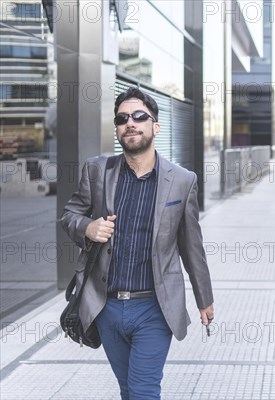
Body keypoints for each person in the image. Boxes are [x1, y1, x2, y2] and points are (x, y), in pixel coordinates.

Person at [61, 87, 214, 399]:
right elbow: (69, 215)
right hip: (106, 305)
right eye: (122, 118)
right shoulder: (97, 170)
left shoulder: (182, 180)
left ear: (155, 126)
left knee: (144, 390)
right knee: (129, 389)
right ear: (117, 129)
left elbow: (191, 246)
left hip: (154, 307)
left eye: (139, 116)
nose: (130, 122)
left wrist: (204, 298)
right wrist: (88, 227)